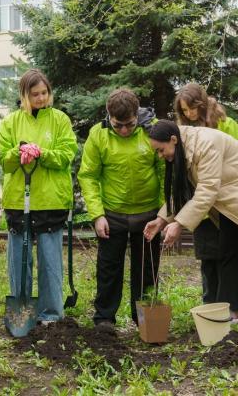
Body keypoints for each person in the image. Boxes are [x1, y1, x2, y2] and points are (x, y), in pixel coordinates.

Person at [143, 120, 238, 333]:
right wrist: (162, 220)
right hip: (228, 200)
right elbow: (182, 190)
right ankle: (233, 313)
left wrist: (179, 224)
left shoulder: (206, 143)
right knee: (227, 254)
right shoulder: (182, 148)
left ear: (173, 140)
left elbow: (206, 190)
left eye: (161, 150)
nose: (161, 156)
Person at [0, 69, 78, 325]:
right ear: (24, 95)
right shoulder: (10, 122)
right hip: (18, 201)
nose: (41, 98)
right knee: (19, 262)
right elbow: (4, 160)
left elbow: (67, 154)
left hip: (51, 200)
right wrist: (19, 151)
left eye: (44, 93)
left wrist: (41, 152)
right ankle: (22, 312)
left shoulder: (60, 120)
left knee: (50, 262)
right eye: (35, 94)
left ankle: (50, 313)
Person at [78, 88, 164, 329]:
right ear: (108, 117)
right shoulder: (98, 135)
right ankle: (104, 318)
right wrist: (97, 215)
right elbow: (88, 176)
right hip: (112, 214)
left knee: (146, 270)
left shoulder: (154, 131)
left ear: (138, 116)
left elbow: (164, 171)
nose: (124, 131)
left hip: (149, 214)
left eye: (130, 124)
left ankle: (144, 320)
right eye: (118, 126)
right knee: (109, 269)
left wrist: (163, 215)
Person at [174, 83, 238, 318]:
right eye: (184, 111)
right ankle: (210, 307)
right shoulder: (183, 131)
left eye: (191, 109)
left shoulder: (226, 125)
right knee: (208, 259)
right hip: (202, 207)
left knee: (231, 258)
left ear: (201, 104)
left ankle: (233, 308)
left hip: (227, 203)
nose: (188, 115)